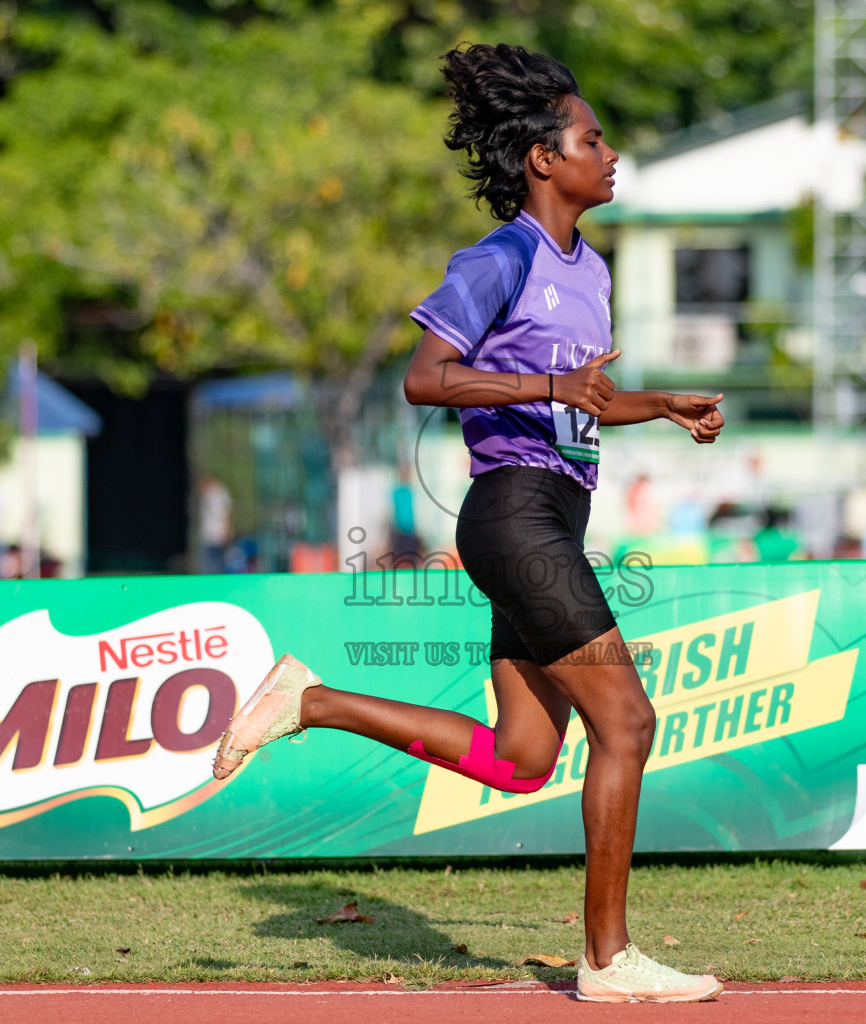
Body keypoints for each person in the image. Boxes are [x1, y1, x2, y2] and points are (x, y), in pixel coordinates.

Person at [211, 44, 727, 1003]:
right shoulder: (500, 259)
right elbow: (424, 377)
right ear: (543, 158)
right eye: (593, 137)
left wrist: (657, 404)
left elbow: (582, 398)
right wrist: (549, 383)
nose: (609, 153)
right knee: (629, 722)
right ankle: (609, 961)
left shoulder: (592, 270)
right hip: (515, 514)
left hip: (551, 519)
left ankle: (310, 702)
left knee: (525, 758)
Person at [197, 475, 234, 575]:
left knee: (215, 564)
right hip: (212, 536)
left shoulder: (218, 496)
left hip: (217, 536)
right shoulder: (211, 497)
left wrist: (227, 532)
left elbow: (226, 516)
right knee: (211, 563)